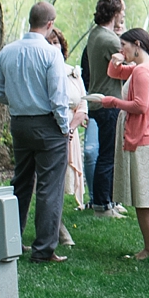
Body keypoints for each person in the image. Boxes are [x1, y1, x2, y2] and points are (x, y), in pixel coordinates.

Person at [0, 1, 70, 262]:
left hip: (19, 123)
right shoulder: (51, 54)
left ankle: (13, 239)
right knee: (49, 187)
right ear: (50, 24)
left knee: (21, 182)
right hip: (47, 124)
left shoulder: (7, 52)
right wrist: (64, 125)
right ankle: (44, 249)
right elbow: (58, 97)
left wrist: (19, 101)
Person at [93, 28, 149, 260]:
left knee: (144, 198)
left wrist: (112, 102)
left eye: (123, 46)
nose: (120, 50)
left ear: (137, 44)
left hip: (142, 137)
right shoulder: (147, 67)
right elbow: (116, 74)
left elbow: (140, 105)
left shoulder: (143, 72)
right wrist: (117, 61)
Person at [83, 0, 126, 217]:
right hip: (109, 103)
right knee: (108, 155)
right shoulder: (110, 40)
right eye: (122, 13)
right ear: (115, 13)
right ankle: (102, 204)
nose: (124, 17)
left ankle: (108, 201)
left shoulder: (95, 34)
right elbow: (129, 67)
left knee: (106, 154)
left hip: (97, 101)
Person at [54, 27, 85, 247]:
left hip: (70, 133)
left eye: (56, 41)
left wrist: (72, 129)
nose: (53, 45)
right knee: (52, 182)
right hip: (52, 130)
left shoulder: (73, 73)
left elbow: (83, 105)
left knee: (64, 181)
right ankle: (58, 227)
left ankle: (55, 222)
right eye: (49, 41)